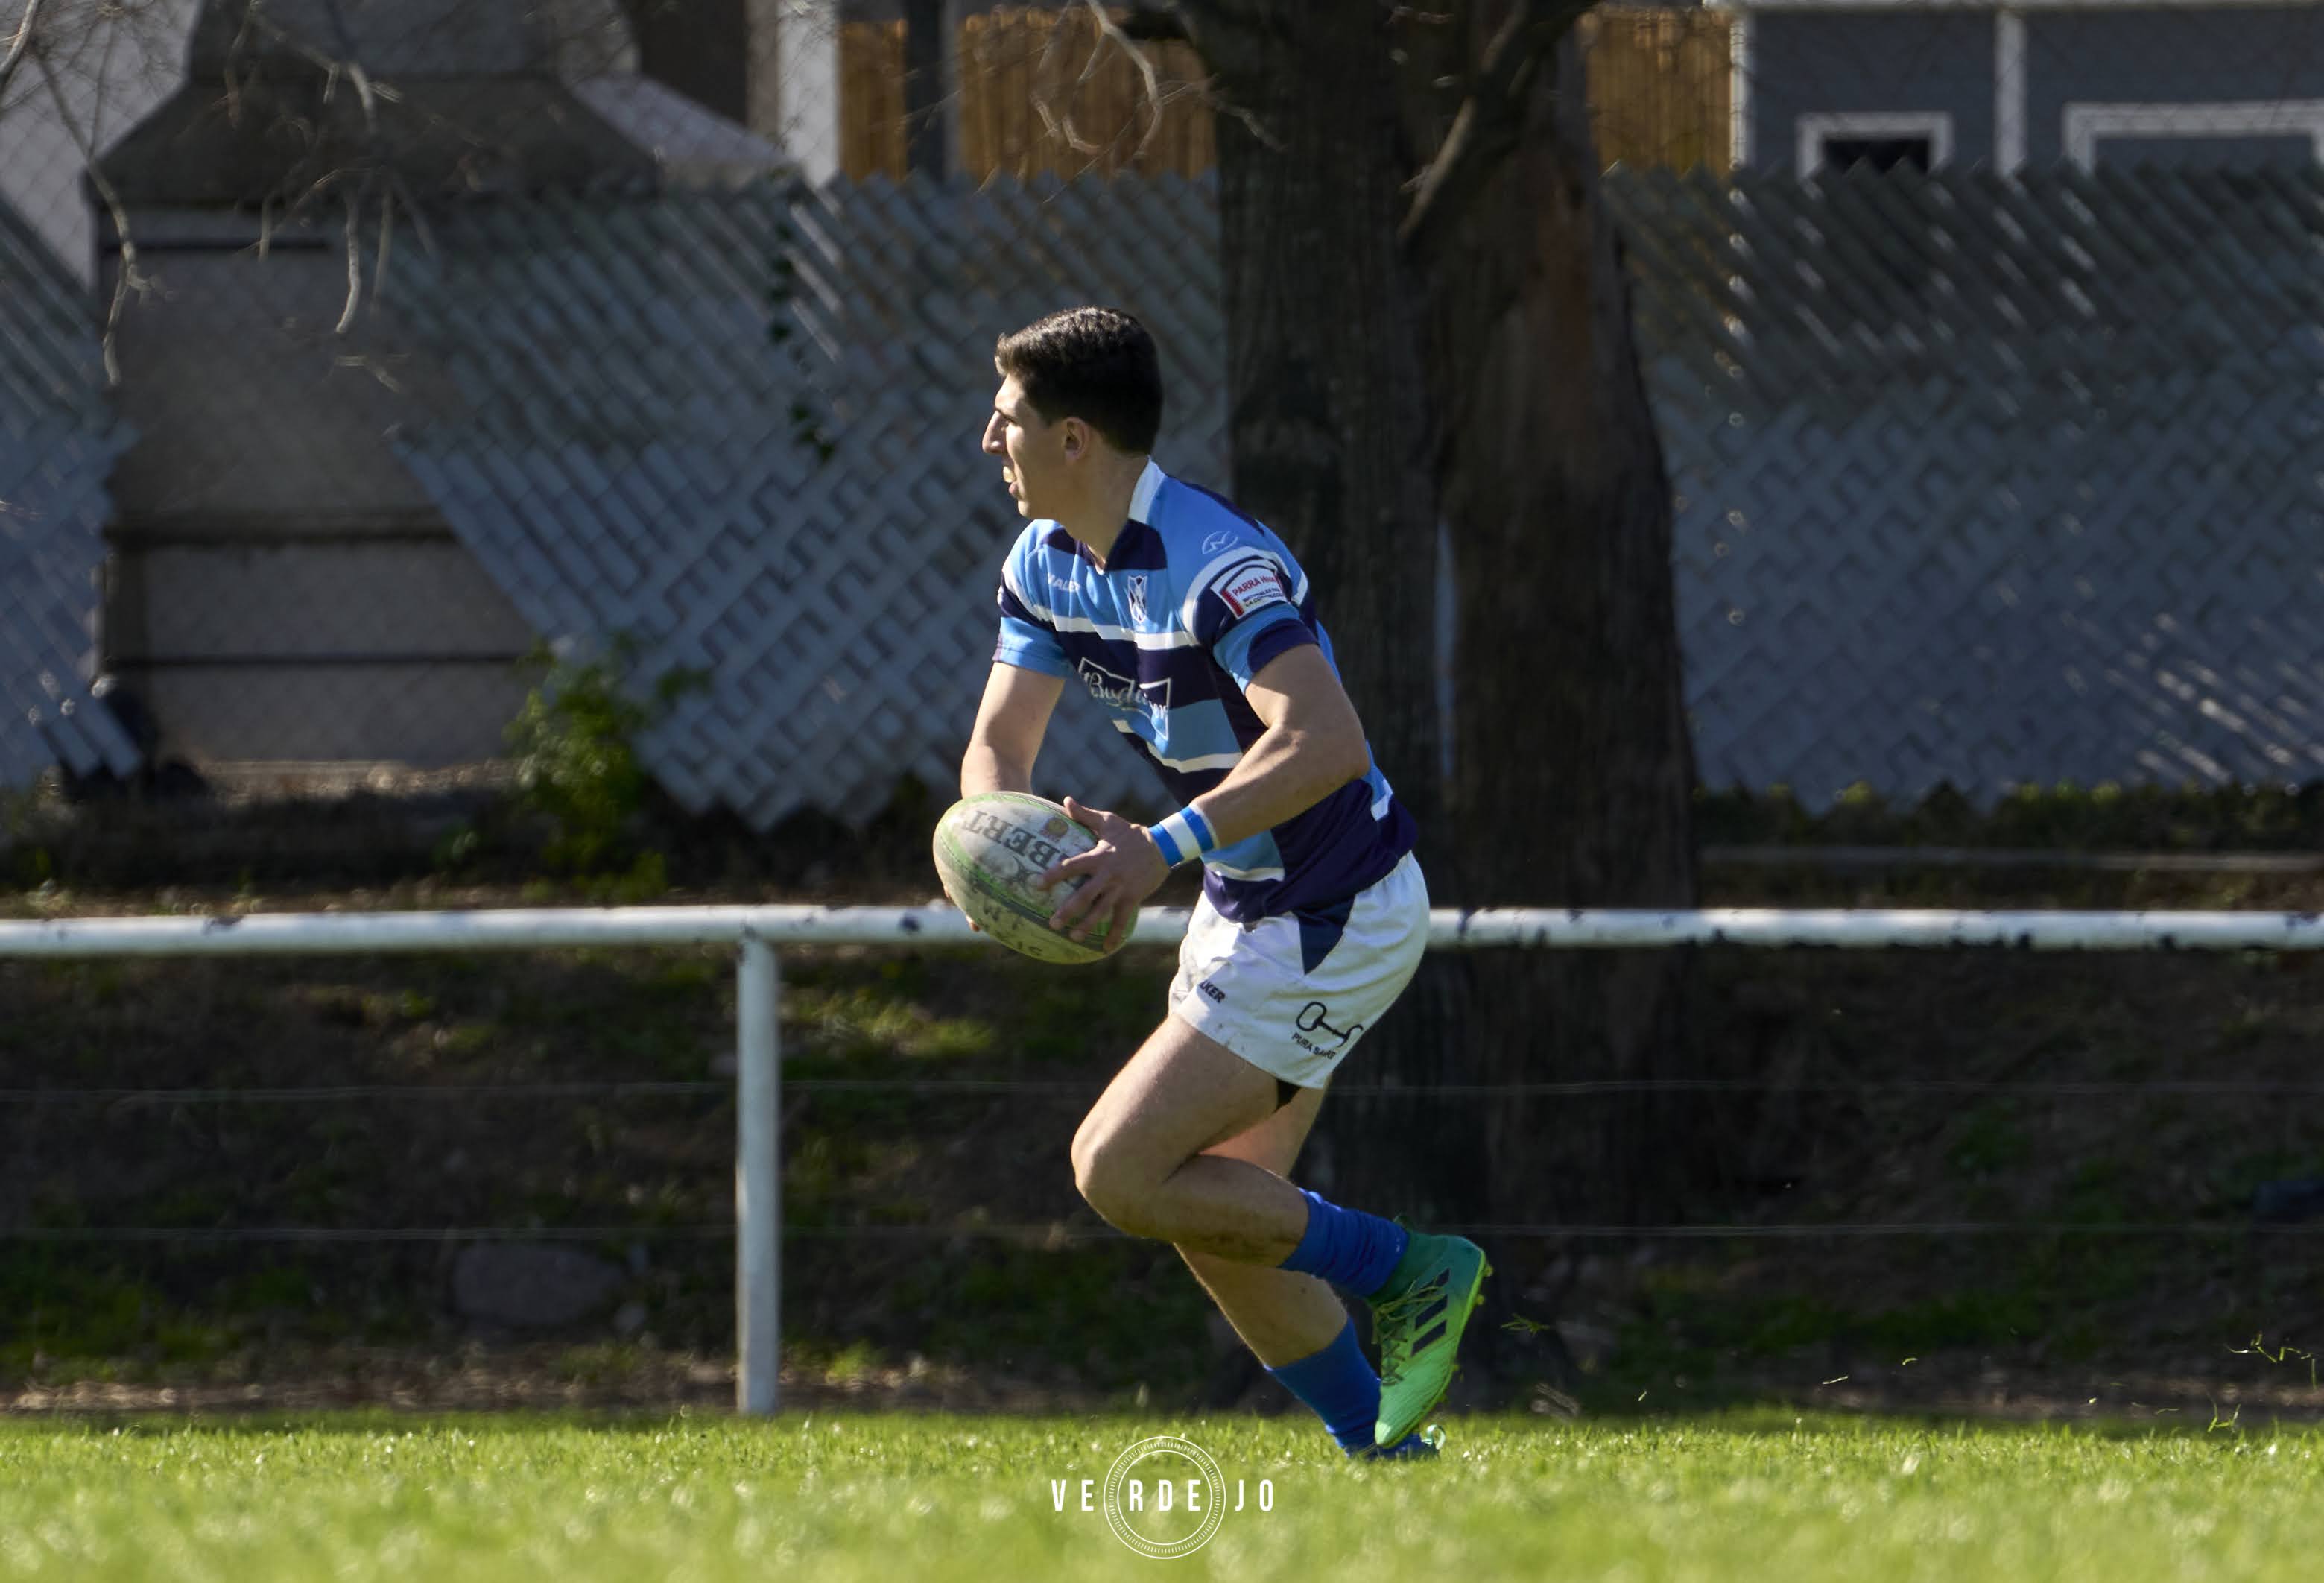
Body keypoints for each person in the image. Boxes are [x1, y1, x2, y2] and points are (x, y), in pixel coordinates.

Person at [958, 305, 1488, 1456]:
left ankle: (1411, 1270)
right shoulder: (1046, 563)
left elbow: (1326, 741)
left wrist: (1158, 844)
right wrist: (1008, 849)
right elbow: (999, 749)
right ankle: (1388, 1459)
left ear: (1074, 440)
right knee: (1216, 1218)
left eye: (1006, 421)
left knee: (1115, 1167)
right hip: (1244, 905)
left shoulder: (1217, 565)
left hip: (1334, 909)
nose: (987, 442)